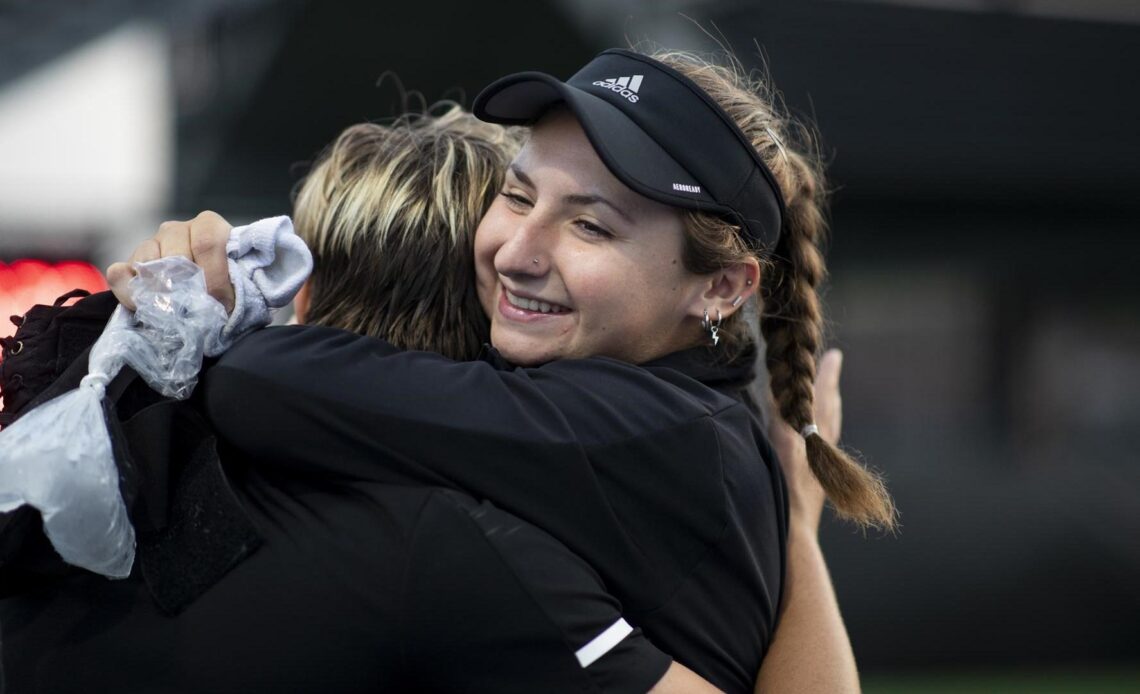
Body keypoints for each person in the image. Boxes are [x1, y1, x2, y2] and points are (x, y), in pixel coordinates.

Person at [107, 48, 894, 692]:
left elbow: (262, 383)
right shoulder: (689, 416)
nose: (517, 253)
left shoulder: (648, 431)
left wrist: (208, 309)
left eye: (590, 225)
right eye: (518, 196)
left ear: (720, 286)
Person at [0, 106, 723, 693]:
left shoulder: (99, 454)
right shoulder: (459, 551)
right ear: (498, 313)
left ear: (300, 290)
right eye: (519, 207)